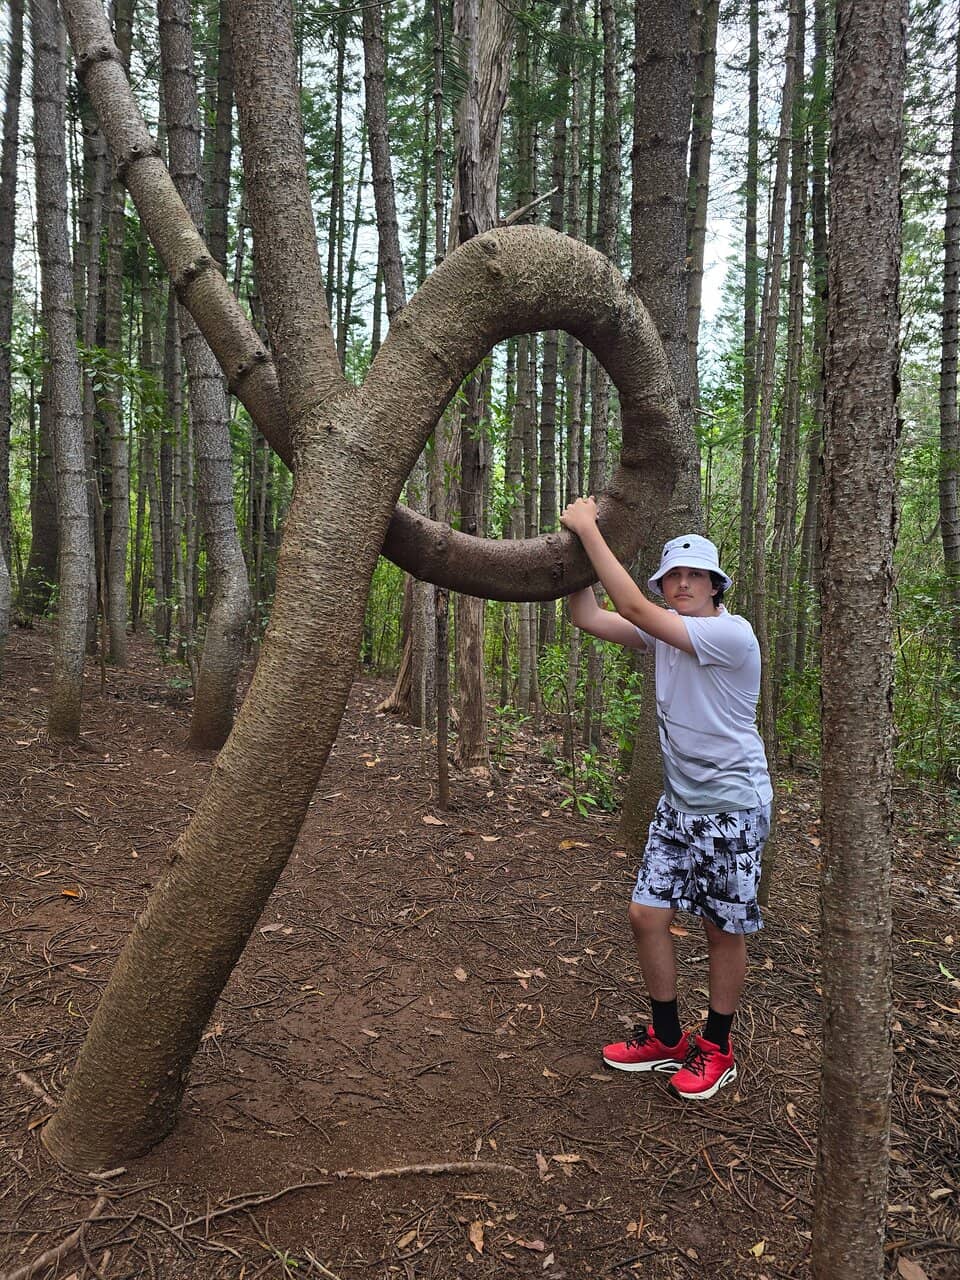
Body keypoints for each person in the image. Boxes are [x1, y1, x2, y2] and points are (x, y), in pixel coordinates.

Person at [559, 497, 772, 1101]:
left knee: (720, 929)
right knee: (647, 916)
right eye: (672, 576)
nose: (681, 584)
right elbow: (590, 614)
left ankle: (717, 1048)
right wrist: (577, 555)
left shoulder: (730, 635)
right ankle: (668, 1037)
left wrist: (587, 527)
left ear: (713, 584)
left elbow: (629, 605)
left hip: (732, 805)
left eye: (693, 575)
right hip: (679, 803)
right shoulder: (667, 639)